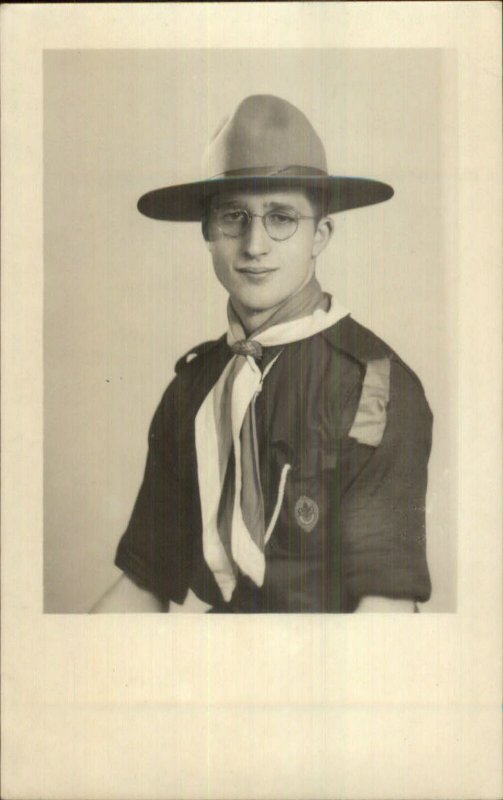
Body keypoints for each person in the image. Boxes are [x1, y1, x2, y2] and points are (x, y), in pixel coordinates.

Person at [92, 95, 432, 614]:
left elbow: (385, 614)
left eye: (282, 218)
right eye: (234, 217)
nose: (255, 245)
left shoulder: (372, 386)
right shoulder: (193, 387)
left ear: (320, 235)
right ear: (207, 233)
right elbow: (143, 583)